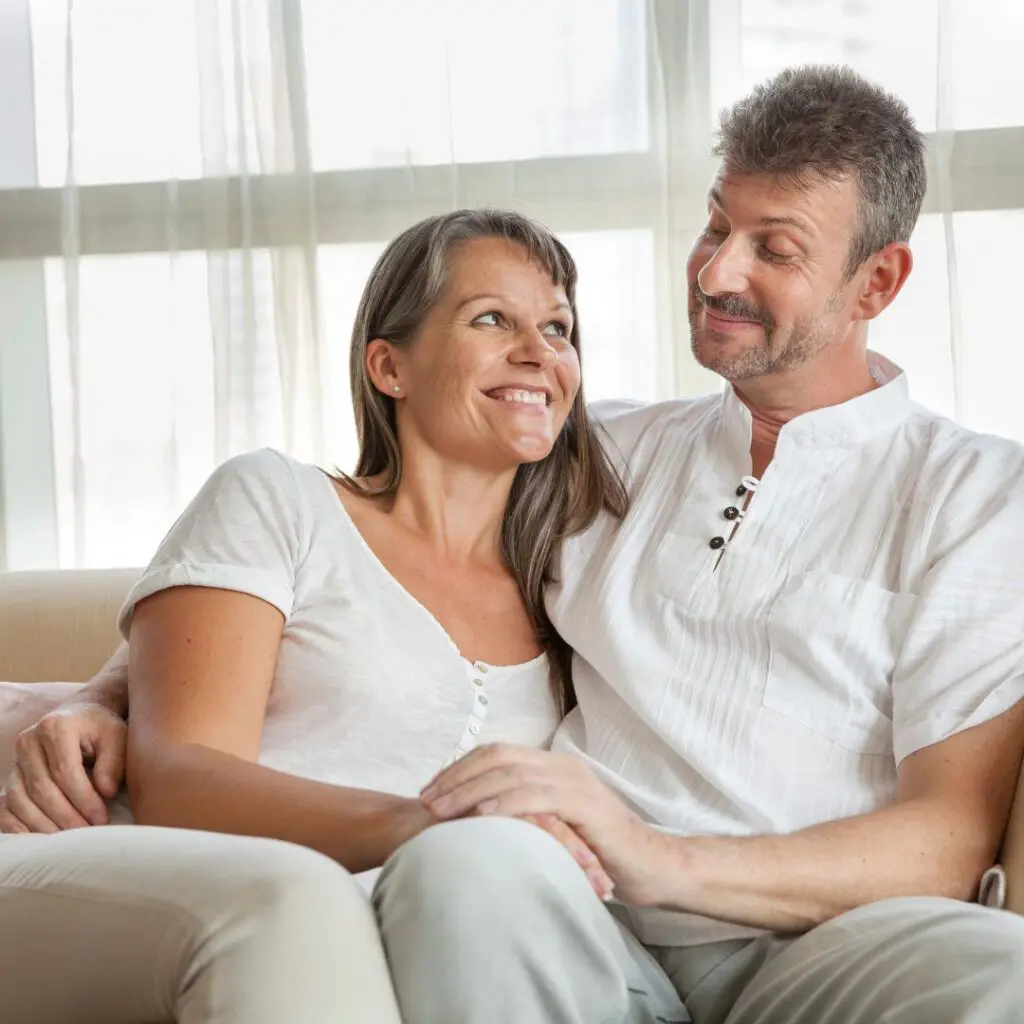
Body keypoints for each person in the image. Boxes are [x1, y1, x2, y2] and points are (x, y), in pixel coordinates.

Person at [7, 64, 1024, 1024]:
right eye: (715, 224)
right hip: (574, 918)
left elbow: (944, 837)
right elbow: (325, 550)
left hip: (819, 940)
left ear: (876, 282)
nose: (716, 270)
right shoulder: (600, 453)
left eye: (775, 247)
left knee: (997, 971)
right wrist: (105, 697)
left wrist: (664, 859)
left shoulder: (977, 495)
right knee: (469, 860)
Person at [0, 208, 629, 1023]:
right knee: (308, 909)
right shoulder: (281, 501)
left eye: (557, 328)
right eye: (490, 319)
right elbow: (178, 775)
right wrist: (428, 824)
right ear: (388, 367)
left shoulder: (569, 578)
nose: (538, 352)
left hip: (438, 950)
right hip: (215, 905)